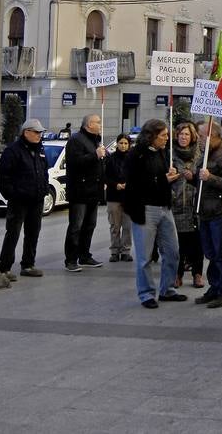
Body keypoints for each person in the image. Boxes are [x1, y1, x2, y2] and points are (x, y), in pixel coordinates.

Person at [125, 119, 186, 308]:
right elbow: (134, 184)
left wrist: (169, 177)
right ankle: (146, 294)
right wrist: (161, 180)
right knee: (145, 256)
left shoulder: (161, 152)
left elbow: (160, 179)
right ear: (151, 136)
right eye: (163, 135)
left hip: (164, 208)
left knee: (173, 251)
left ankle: (167, 289)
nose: (167, 139)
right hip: (145, 209)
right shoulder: (136, 155)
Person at [193, 118, 222, 309]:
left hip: (220, 212)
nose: (199, 140)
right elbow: (202, 181)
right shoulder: (205, 154)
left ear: (214, 136)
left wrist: (210, 177)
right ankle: (214, 287)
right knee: (211, 253)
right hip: (206, 211)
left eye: (202, 136)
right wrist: (193, 177)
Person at [0, 118, 49, 280]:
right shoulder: (13, 151)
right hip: (19, 200)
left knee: (33, 233)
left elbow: (44, 171)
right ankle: (4, 267)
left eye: (41, 132)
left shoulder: (39, 149)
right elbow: (3, 177)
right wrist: (12, 195)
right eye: (36, 132)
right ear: (26, 132)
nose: (39, 135)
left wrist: (44, 189)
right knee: (13, 233)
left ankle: (28, 265)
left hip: (37, 199)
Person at [63, 114, 106, 272]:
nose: (100, 124)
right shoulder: (76, 140)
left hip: (93, 191)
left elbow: (100, 164)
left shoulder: (95, 140)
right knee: (76, 226)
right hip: (80, 191)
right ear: (89, 124)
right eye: (97, 122)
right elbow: (75, 162)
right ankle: (71, 259)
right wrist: (95, 155)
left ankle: (84, 255)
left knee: (90, 225)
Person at [171, 122, 204, 288]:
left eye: (186, 134)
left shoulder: (200, 155)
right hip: (176, 204)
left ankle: (197, 274)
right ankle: (177, 274)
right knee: (179, 244)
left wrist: (194, 177)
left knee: (197, 243)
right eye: (181, 134)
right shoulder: (170, 154)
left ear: (192, 137)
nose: (183, 137)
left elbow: (205, 179)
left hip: (195, 205)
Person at [105, 133, 133, 263]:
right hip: (113, 196)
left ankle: (126, 251)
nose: (123, 146)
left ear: (129, 145)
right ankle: (114, 251)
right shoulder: (110, 159)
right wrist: (115, 185)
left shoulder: (133, 159)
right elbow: (105, 177)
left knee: (127, 226)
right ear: (117, 144)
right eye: (121, 143)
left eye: (126, 143)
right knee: (115, 226)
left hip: (128, 197)